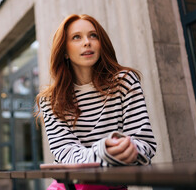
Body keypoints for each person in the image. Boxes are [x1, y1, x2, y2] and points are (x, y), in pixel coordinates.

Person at [36, 14, 156, 190]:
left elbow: (145, 144)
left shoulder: (124, 82)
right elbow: (65, 154)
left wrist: (129, 149)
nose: (87, 42)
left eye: (93, 35)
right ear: (65, 51)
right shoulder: (51, 99)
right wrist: (103, 151)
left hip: (110, 185)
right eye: (77, 37)